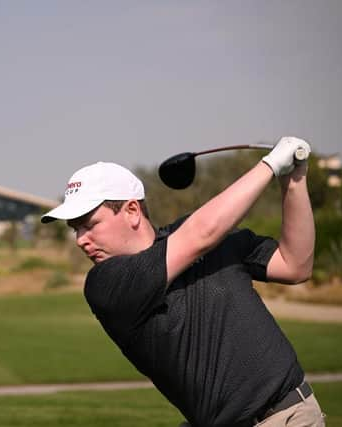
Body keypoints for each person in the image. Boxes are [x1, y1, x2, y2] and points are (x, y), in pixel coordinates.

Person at [41, 137, 324, 426]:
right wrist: (271, 165)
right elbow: (200, 235)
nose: (81, 240)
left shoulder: (207, 240)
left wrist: (294, 179)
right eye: (75, 229)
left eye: (89, 225)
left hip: (290, 416)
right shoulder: (106, 284)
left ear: (132, 211)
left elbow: (296, 265)